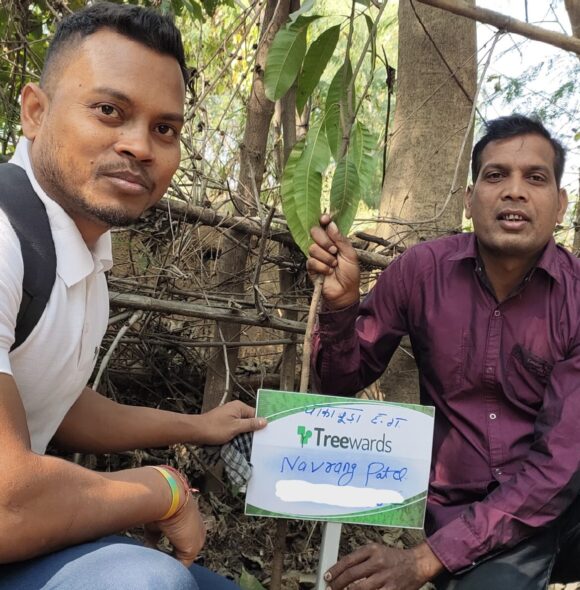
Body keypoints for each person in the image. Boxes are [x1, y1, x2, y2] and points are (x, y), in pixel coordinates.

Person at [0, 4, 266, 589]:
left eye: (164, 129)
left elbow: (54, 399)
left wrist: (198, 426)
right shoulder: (5, 240)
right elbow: (6, 506)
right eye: (109, 111)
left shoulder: (81, 252)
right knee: (146, 581)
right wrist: (161, 490)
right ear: (35, 111)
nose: (140, 146)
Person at [307, 114, 580, 590]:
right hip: (461, 511)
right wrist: (341, 306)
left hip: (566, 506)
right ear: (469, 200)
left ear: (560, 205)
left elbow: (559, 464)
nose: (514, 191)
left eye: (535, 178)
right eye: (496, 175)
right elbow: (337, 382)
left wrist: (424, 560)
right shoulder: (421, 272)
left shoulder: (576, 297)